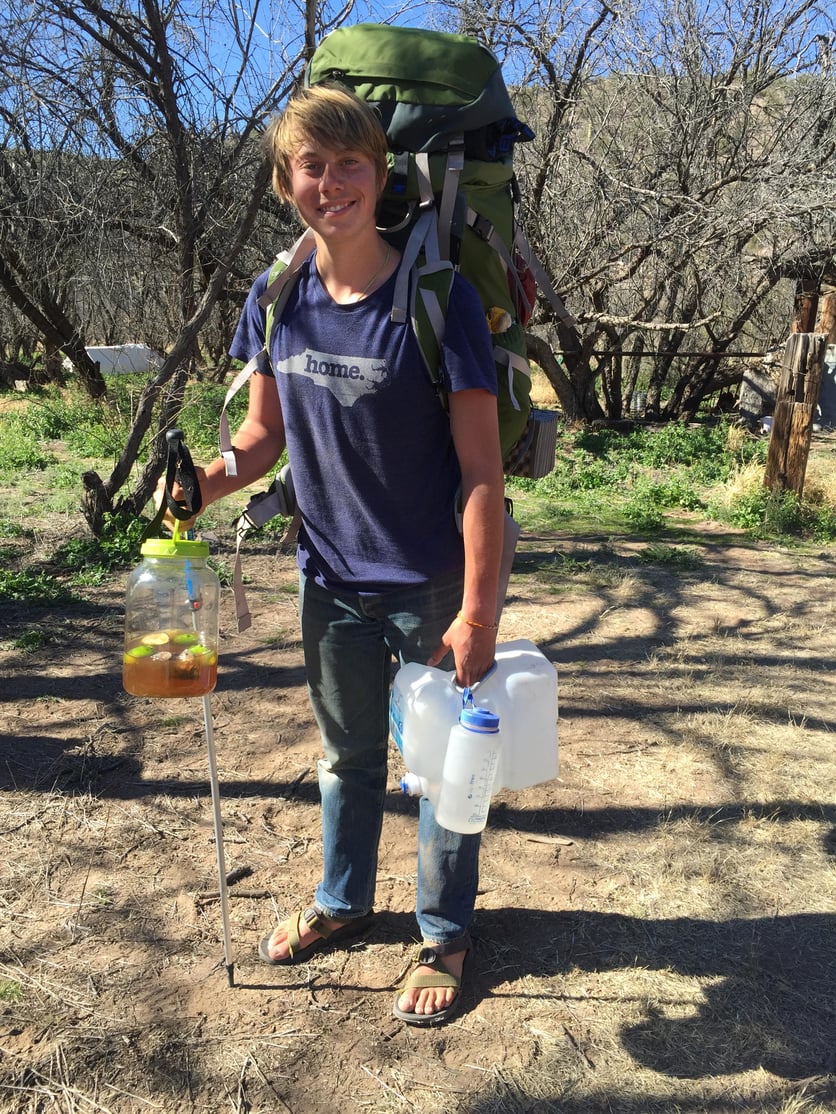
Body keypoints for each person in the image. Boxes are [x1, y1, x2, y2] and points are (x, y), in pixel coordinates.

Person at [171, 83, 505, 1026]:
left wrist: (479, 610)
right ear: (287, 182)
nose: (331, 182)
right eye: (311, 166)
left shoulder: (439, 301)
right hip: (329, 580)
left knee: (440, 768)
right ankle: (343, 902)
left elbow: (483, 475)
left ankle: (442, 934)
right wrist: (205, 481)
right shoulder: (278, 297)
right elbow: (261, 436)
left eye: (349, 162)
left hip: (430, 585)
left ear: (381, 171)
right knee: (345, 759)